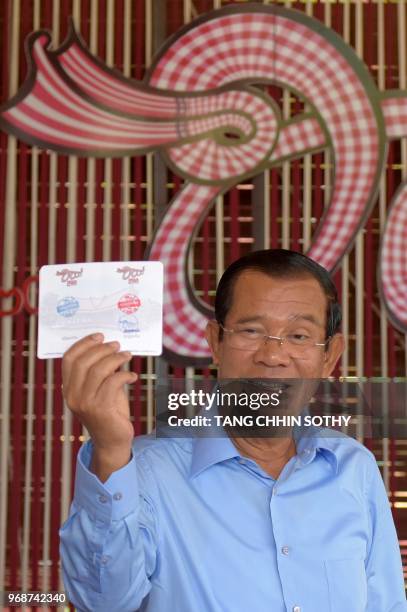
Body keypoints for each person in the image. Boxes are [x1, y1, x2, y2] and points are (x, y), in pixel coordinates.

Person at [60, 249, 406, 612]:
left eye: (299, 336)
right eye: (251, 330)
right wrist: (111, 449)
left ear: (330, 356)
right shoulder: (144, 471)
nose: (273, 356)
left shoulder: (354, 469)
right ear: (215, 342)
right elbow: (101, 602)